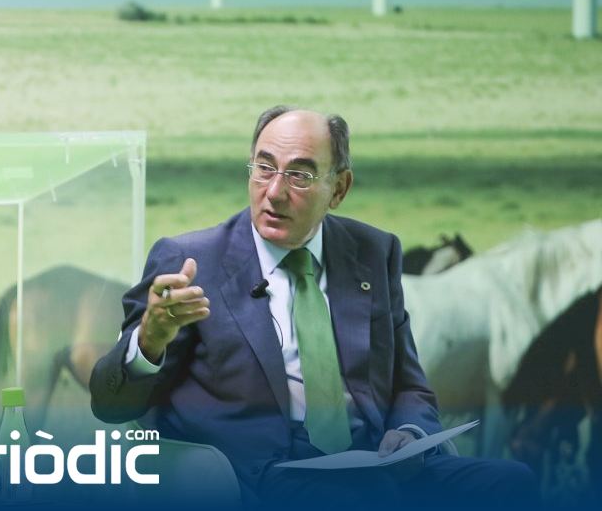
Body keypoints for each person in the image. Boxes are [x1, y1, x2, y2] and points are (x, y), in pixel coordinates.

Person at [89, 106, 538, 507]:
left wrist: (411, 433)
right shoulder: (190, 261)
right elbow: (110, 405)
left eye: (299, 176)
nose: (274, 192)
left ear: (338, 189)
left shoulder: (374, 252)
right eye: (264, 168)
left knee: (510, 483)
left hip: (376, 463)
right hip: (264, 473)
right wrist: (149, 341)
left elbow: (409, 385)